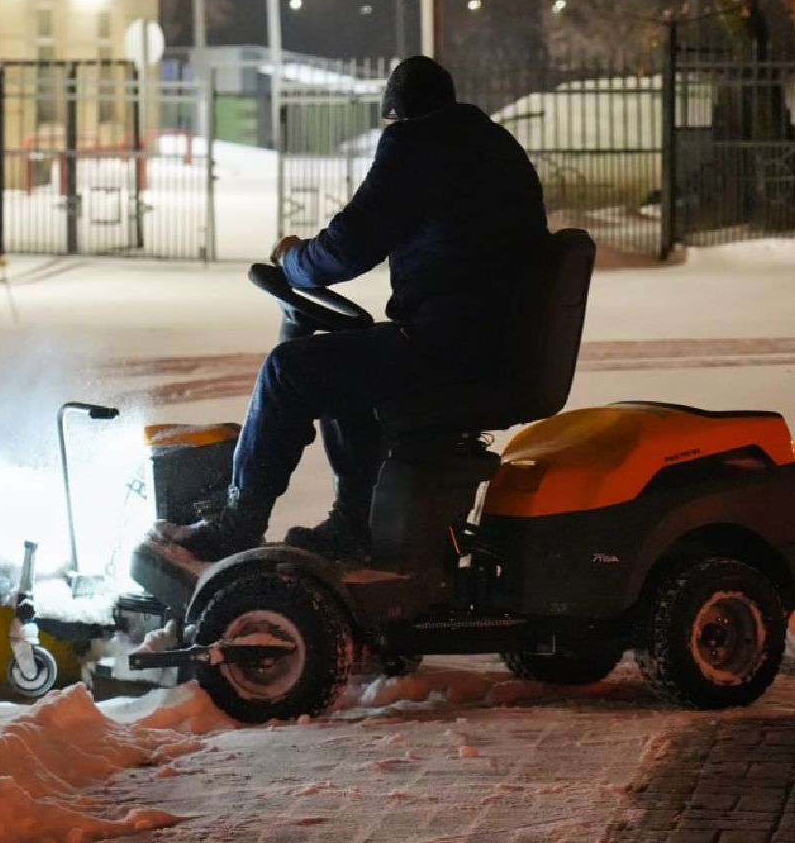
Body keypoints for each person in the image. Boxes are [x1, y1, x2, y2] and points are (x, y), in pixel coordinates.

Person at [154, 55, 548, 563]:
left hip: (446, 346)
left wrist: (293, 259)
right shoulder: (496, 146)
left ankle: (239, 523)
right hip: (490, 342)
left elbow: (348, 247)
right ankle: (355, 524)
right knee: (348, 369)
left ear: (398, 115)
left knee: (288, 370)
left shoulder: (417, 145)